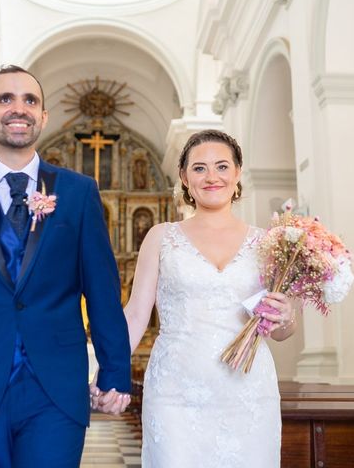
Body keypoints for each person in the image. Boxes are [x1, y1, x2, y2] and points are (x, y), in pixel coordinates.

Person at [0, 65, 131, 468]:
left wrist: (115, 369)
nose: (19, 108)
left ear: (44, 117)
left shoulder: (79, 193)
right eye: (5, 99)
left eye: (30, 100)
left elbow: (102, 291)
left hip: (56, 389)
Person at [104, 130, 297, 466]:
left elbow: (279, 331)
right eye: (199, 168)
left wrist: (286, 316)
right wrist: (109, 370)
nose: (211, 177)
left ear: (238, 173)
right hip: (175, 391)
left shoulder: (267, 243)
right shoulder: (161, 237)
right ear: (184, 177)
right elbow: (136, 315)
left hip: (247, 388)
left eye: (222, 166)